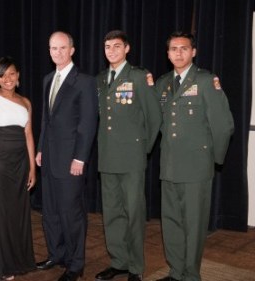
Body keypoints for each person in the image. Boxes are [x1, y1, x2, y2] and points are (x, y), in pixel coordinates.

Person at [155, 31, 234, 281]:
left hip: (196, 167)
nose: (179, 53)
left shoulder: (206, 81)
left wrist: (213, 160)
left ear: (193, 52)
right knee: (171, 223)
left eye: (184, 48)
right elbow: (158, 122)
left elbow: (223, 125)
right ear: (167, 54)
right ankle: (176, 271)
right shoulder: (163, 83)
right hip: (169, 166)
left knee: (194, 225)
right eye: (174, 49)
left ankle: (191, 275)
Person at [94, 30, 162, 281]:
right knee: (112, 213)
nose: (111, 51)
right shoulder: (101, 79)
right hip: (108, 158)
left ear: (127, 48)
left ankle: (136, 267)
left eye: (116, 46)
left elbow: (154, 116)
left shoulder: (138, 76)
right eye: (107, 46)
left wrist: (142, 148)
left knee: (134, 214)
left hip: (132, 158)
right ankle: (118, 261)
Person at [35, 31, 98, 281]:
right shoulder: (48, 79)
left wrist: (80, 158)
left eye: (62, 48)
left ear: (72, 50)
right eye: (53, 48)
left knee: (71, 213)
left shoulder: (84, 81)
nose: (57, 53)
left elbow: (88, 123)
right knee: (50, 210)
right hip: (49, 157)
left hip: (71, 159)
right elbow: (45, 120)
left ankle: (75, 264)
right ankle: (57, 254)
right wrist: (40, 148)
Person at [0, 56, 36, 280]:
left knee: (17, 214)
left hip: (21, 166)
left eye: (11, 73)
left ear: (18, 75)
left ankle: (18, 260)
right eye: (2, 75)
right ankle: (0, 265)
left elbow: (29, 136)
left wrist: (32, 168)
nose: (7, 78)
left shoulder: (26, 102)